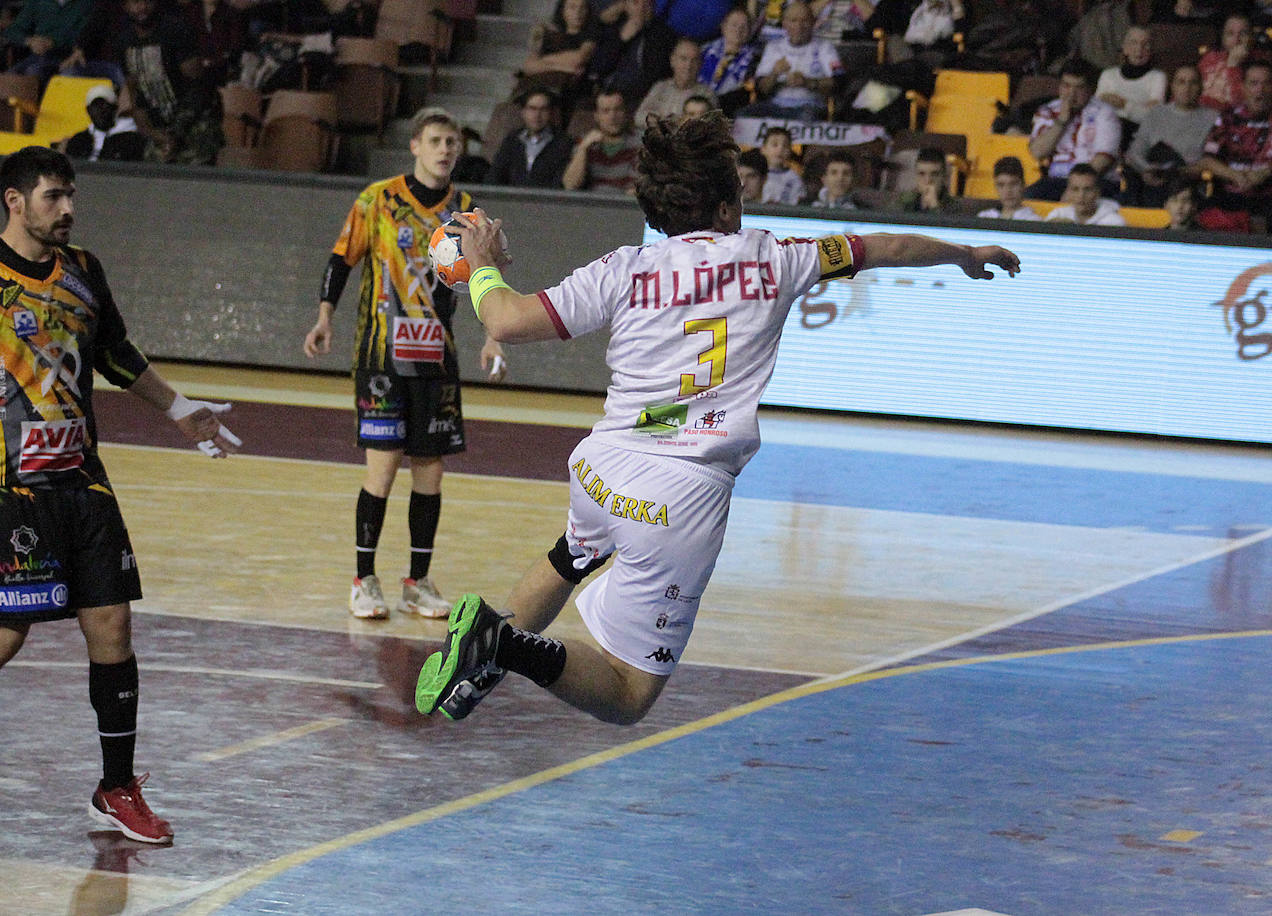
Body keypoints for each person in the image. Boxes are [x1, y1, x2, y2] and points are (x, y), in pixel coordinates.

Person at [411, 112, 1019, 726]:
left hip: (602, 468)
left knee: (573, 553)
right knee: (627, 695)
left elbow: (506, 322)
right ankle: (503, 646)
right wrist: (964, 253)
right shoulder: (778, 258)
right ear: (729, 208)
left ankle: (478, 658)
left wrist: (482, 265)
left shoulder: (623, 268)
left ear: (655, 215)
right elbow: (886, 247)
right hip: (679, 498)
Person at [0, 146, 242, 842]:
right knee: (1, 636)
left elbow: (116, 352)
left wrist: (180, 407)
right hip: (7, 492)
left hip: (83, 482)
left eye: (71, 196)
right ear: (14, 200)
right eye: (52, 197)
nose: (67, 209)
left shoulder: (83, 271)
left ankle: (115, 788)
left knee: (113, 626)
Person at [303, 109, 507, 621]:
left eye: (452, 142)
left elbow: (487, 280)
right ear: (414, 145)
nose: (445, 150)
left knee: (430, 473)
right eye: (436, 140)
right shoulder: (377, 200)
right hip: (381, 357)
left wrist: (493, 335)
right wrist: (324, 316)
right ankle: (363, 578)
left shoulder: (466, 212)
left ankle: (417, 582)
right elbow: (340, 259)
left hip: (437, 359)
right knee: (383, 469)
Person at [1198, 61, 1272, 233]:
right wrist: (1234, 175)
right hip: (1232, 193)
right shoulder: (1229, 116)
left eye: (1266, 83)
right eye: (1254, 83)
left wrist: (1267, 173)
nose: (1260, 90)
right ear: (1243, 88)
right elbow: (1207, 159)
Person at [114, 0, 221, 165]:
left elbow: (198, 89)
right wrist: (155, 135)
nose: (142, 7)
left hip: (194, 128)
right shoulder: (124, 42)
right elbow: (136, 98)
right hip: (160, 132)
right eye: (135, 2)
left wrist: (175, 135)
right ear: (125, 6)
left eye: (147, 1)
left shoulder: (175, 31)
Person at [1027, 58, 1122, 201]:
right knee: (1028, 198)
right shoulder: (1048, 110)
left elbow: (1102, 160)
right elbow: (1037, 152)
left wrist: (1076, 189)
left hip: (1096, 182)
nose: (1071, 94)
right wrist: (1062, 121)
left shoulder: (1105, 113)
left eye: (1079, 88)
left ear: (1091, 89)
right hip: (1055, 180)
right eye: (1066, 86)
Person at [1122, 65, 1216, 207]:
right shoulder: (1156, 113)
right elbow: (1136, 150)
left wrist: (1185, 172)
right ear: (1172, 86)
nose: (1187, 88)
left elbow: (1212, 158)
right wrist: (1146, 169)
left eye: (1193, 82)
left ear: (1201, 87)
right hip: (1153, 176)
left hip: (1189, 183)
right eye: (1181, 82)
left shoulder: (1213, 118)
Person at [744, 0, 841, 120]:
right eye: (793, 21)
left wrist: (807, 82)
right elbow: (760, 90)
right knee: (744, 115)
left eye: (804, 20)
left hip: (809, 106)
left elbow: (839, 82)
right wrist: (774, 74)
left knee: (807, 118)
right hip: (775, 106)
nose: (799, 26)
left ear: (814, 22)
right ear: (784, 24)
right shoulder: (773, 47)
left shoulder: (825, 47)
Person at [486, 88, 574, 188]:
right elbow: (495, 174)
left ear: (551, 113)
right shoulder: (512, 139)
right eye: (532, 109)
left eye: (543, 109)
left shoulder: (564, 143)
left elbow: (560, 183)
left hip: (546, 200)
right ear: (523, 112)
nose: (537, 115)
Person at [562, 88, 641, 194]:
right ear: (597, 116)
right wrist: (583, 148)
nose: (612, 116)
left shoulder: (640, 143)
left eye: (617, 110)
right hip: (593, 206)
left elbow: (639, 188)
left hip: (626, 206)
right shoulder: (585, 142)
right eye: (606, 111)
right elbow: (570, 185)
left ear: (625, 113)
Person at [1095, 26, 1166, 129]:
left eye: (1145, 44)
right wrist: (1139, 109)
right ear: (1125, 48)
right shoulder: (1108, 75)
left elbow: (1152, 117)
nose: (1139, 48)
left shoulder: (1158, 77)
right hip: (1107, 129)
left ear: (1151, 50)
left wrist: (1123, 104)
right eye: (1134, 42)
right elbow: (1097, 110)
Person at [3, 0, 96, 79]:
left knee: (37, 72)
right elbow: (12, 30)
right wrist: (30, 41)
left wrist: (52, 43)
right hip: (39, 56)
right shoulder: (38, 2)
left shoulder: (87, 4)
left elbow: (86, 35)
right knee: (8, 79)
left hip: (71, 57)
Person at [697, 5, 759, 116]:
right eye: (734, 24)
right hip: (697, 102)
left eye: (744, 26)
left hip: (728, 109)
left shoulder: (754, 58)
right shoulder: (704, 51)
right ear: (723, 26)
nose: (738, 30)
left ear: (750, 31)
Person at [62, 83, 148, 161]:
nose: (101, 111)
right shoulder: (78, 140)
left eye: (104, 105)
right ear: (88, 111)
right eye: (96, 106)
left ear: (114, 108)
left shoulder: (131, 140)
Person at [633, 37, 705, 124]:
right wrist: (656, 121)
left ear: (700, 64)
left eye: (694, 60)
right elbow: (638, 117)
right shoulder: (661, 87)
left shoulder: (706, 94)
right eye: (683, 59)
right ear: (672, 61)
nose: (688, 65)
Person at [1198, 13, 1256, 112]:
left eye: (1243, 34)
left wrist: (1233, 65)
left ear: (1251, 37)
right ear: (1223, 38)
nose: (1237, 40)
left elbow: (1239, 104)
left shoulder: (1258, 63)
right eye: (1230, 33)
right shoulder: (1210, 58)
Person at [1044, 162, 1127, 225]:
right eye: (1075, 189)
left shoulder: (1113, 222)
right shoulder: (1057, 215)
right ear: (1067, 192)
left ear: (1097, 192)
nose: (1081, 196)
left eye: (1087, 190)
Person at [897, 146, 963, 213]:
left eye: (934, 174)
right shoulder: (904, 201)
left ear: (944, 177)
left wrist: (934, 207)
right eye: (921, 174)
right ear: (916, 176)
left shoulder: (954, 207)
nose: (928, 180)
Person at [977, 155, 1040, 219]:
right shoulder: (984, 217)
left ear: (1023, 185)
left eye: (1013, 184)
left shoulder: (1034, 220)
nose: (1008, 191)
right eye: (1001, 185)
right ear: (995, 187)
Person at [759, 126, 805, 204]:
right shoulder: (754, 175)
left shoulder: (794, 179)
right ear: (763, 149)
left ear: (790, 151)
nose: (780, 149)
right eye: (775, 145)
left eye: (785, 146)